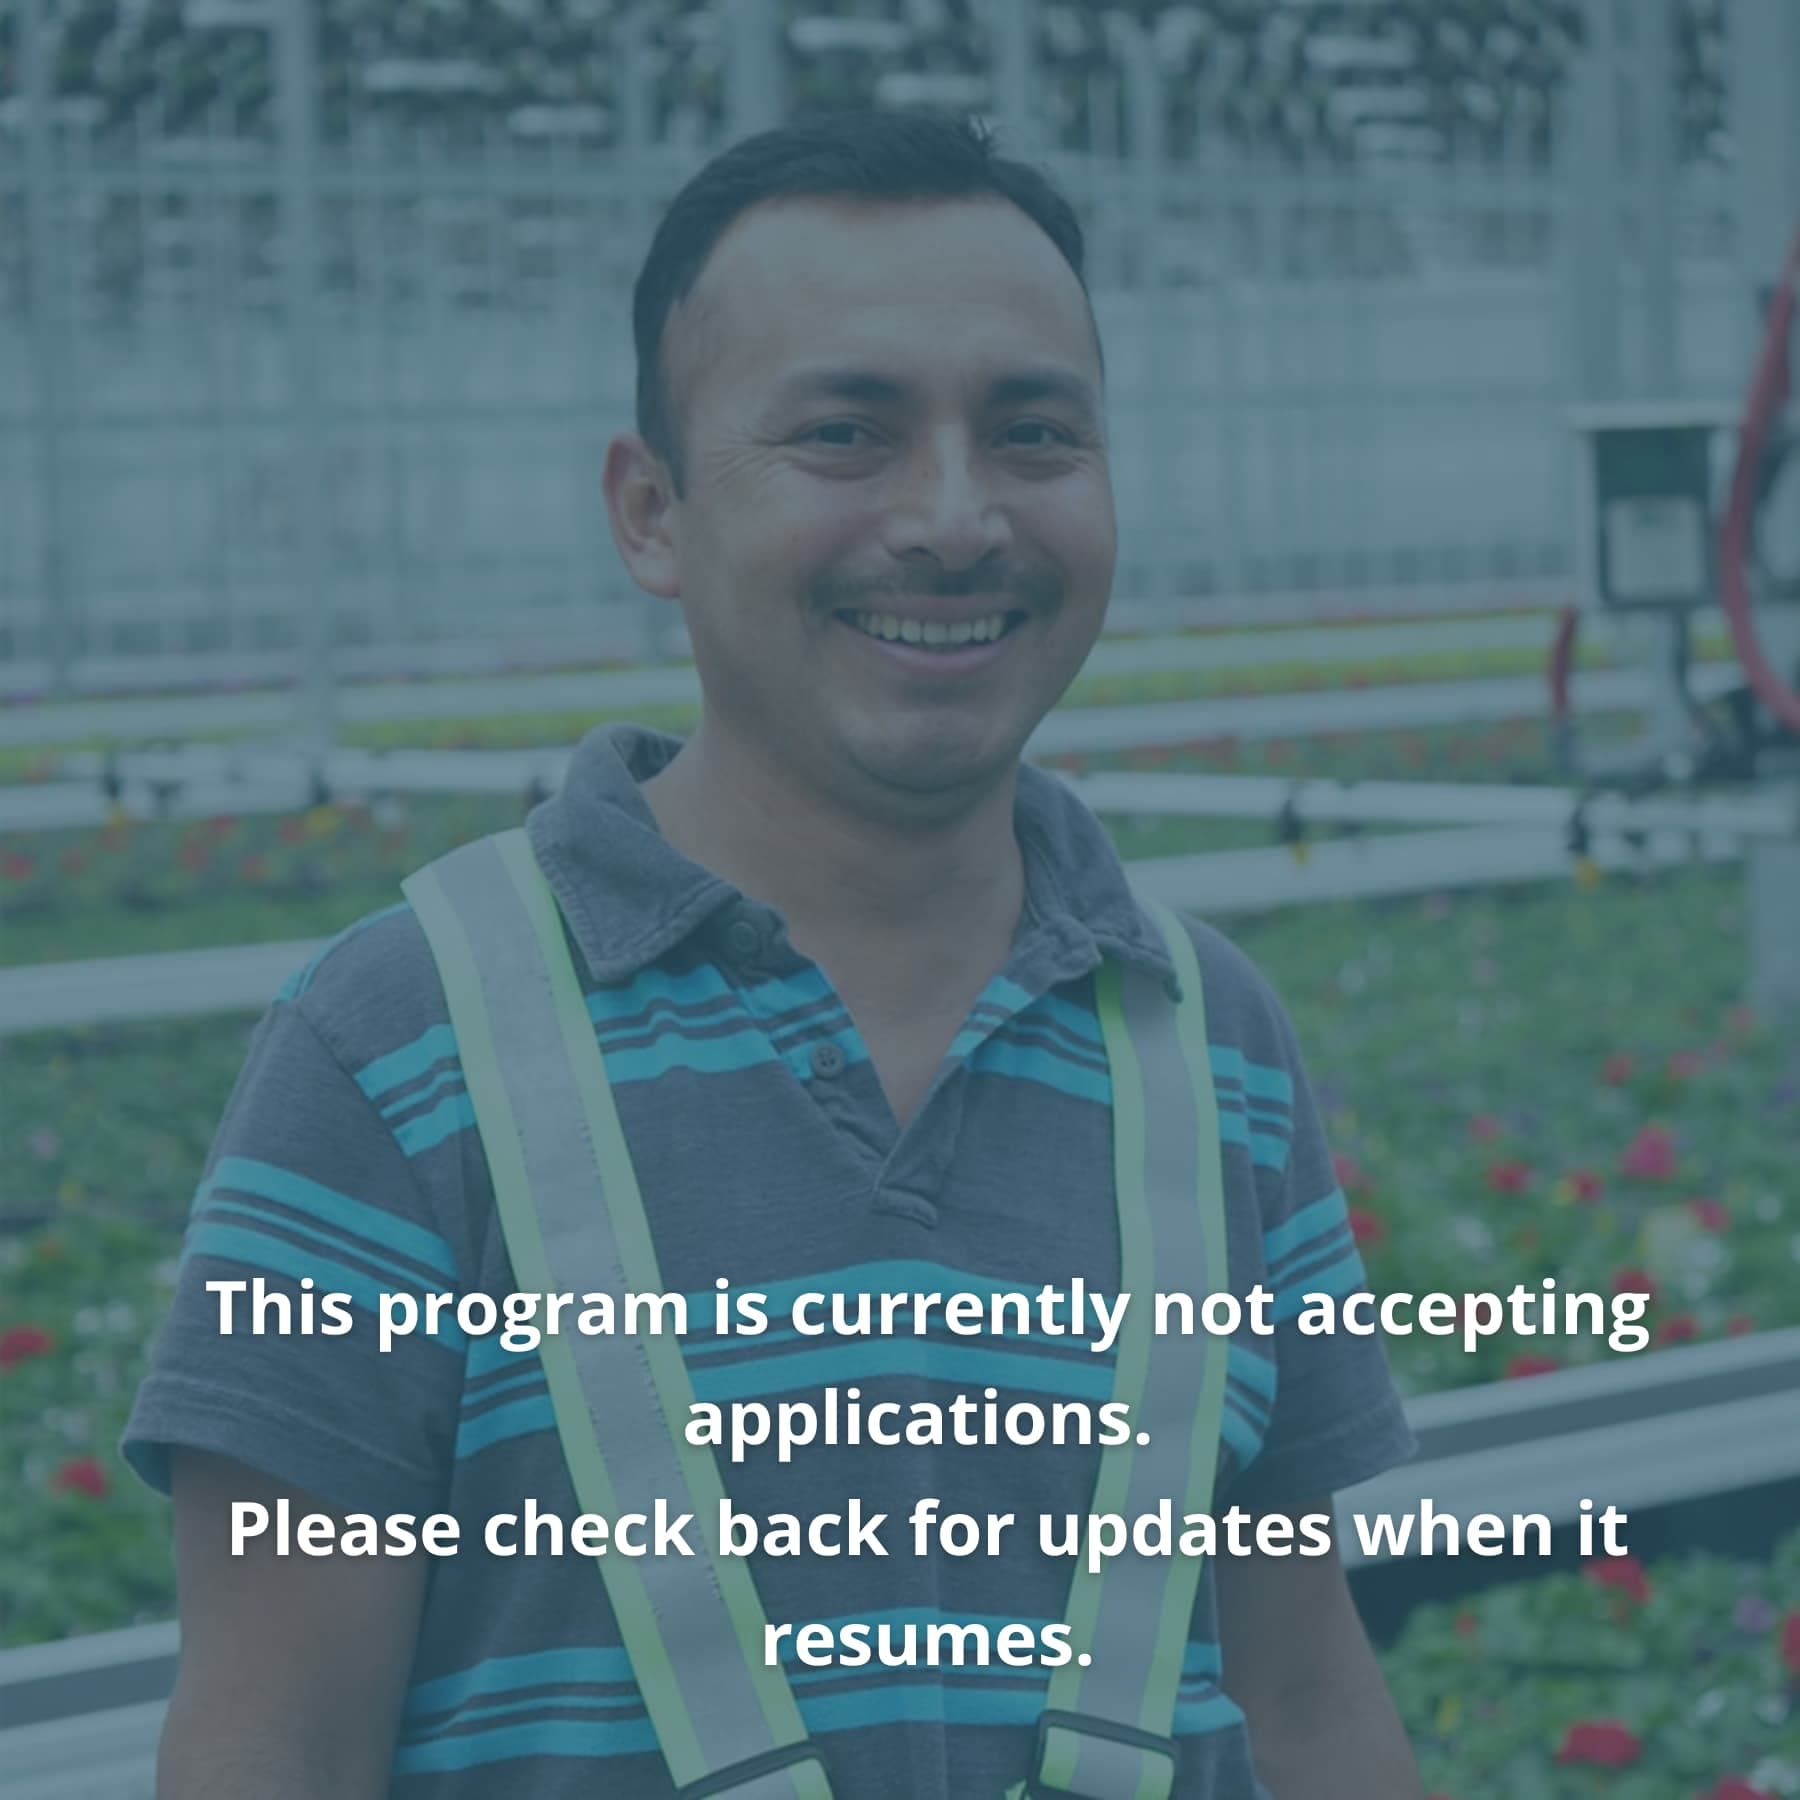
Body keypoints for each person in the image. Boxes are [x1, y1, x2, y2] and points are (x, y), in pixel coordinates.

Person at [125, 110, 1423, 1798]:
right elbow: (274, 1743)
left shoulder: (1205, 1041)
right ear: (651, 513)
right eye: (845, 436)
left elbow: (1304, 1696)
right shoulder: (395, 1046)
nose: (955, 518)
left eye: (1034, 434)